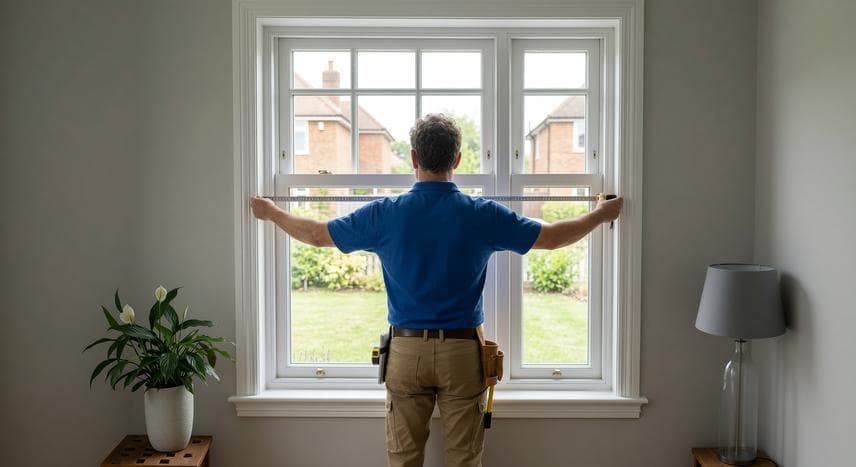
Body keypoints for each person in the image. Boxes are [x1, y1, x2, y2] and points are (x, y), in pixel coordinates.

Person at [250, 114, 623, 467]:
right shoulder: (481, 213)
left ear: (414, 157)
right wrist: (600, 214)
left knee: (404, 461)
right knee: (465, 461)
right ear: (457, 159)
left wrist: (270, 212)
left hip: (405, 352)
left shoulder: (386, 213)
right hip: (462, 355)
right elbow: (553, 237)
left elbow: (317, 234)